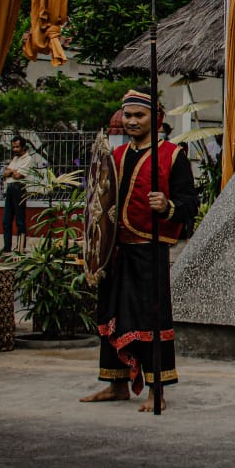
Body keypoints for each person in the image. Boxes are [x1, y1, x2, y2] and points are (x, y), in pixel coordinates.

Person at [80, 89, 197, 412]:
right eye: (128, 116)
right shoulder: (114, 158)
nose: (132, 121)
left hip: (149, 251)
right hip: (115, 252)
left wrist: (168, 206)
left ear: (155, 119)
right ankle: (116, 384)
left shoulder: (173, 156)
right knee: (113, 316)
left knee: (150, 320)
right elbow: (99, 204)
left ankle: (156, 390)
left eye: (139, 116)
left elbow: (190, 205)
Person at [1, 136, 35, 253]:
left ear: (23, 146)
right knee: (6, 220)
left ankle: (21, 248)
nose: (15, 149)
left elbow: (18, 176)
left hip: (19, 189)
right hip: (10, 189)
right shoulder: (15, 158)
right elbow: (5, 173)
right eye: (13, 147)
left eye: (17, 147)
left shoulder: (28, 159)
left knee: (20, 221)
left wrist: (11, 172)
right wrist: (12, 172)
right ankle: (7, 248)